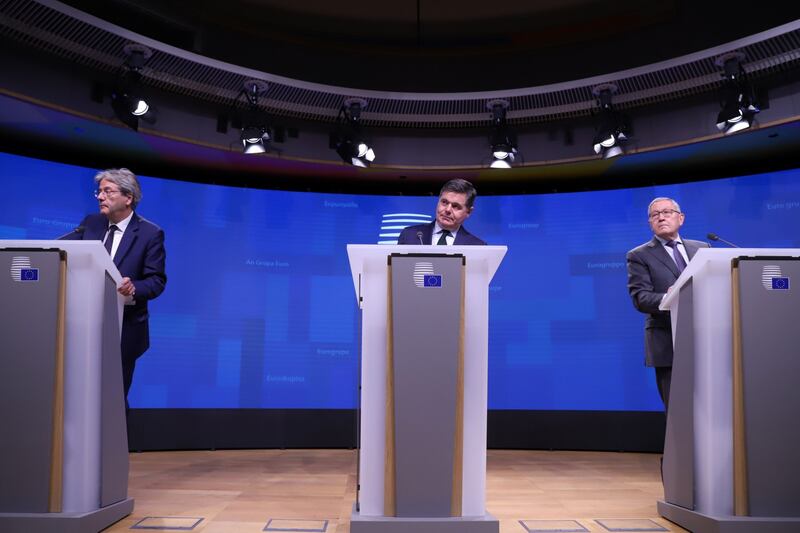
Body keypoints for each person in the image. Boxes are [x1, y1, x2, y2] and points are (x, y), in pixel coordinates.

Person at [63, 168, 166, 407]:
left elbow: (156, 281)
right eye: (99, 192)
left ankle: (113, 445)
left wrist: (134, 289)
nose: (100, 197)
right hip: (84, 325)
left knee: (113, 399)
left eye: (107, 192)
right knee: (79, 397)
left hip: (125, 328)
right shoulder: (90, 223)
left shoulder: (150, 233)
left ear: (128, 197)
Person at [626, 197, 708, 413]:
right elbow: (640, 298)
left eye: (667, 212)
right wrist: (669, 297)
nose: (661, 217)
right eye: (655, 214)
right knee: (678, 411)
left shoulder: (703, 248)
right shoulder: (639, 255)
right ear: (650, 223)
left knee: (709, 406)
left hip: (707, 341)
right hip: (667, 342)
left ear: (681, 218)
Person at [397, 178, 486, 245]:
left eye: (455, 206)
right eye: (444, 202)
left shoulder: (477, 245)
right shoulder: (409, 235)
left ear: (468, 212)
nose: (447, 210)